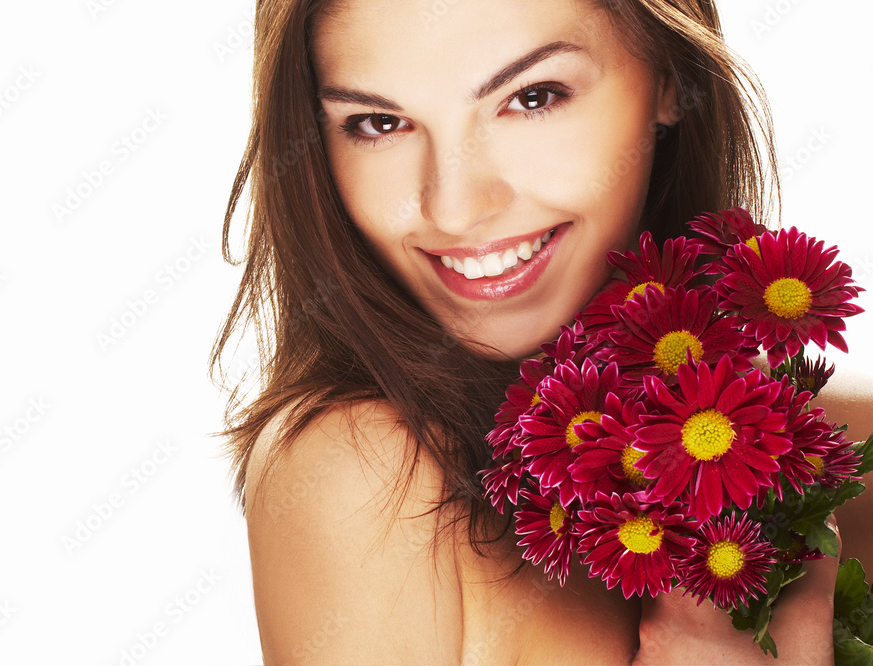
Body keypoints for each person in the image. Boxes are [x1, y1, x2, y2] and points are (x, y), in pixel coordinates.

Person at [212, 0, 873, 662]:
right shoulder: (368, 472)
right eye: (380, 123)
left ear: (670, 78)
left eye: (532, 97)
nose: (456, 208)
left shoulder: (828, 458)